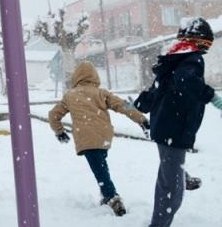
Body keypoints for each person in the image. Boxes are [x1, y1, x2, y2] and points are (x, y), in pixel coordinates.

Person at [135, 17, 222, 227]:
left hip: (164, 127)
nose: (206, 49)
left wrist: (140, 104)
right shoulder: (192, 59)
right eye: (207, 43)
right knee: (171, 187)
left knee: (169, 168)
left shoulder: (173, 58)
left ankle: (181, 174)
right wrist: (212, 97)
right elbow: (186, 81)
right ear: (200, 41)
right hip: (175, 129)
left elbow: (157, 88)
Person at [48, 61, 150, 216]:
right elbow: (124, 105)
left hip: (86, 138)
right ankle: (105, 195)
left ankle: (113, 198)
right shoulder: (101, 93)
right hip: (104, 137)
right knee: (101, 166)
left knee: (100, 170)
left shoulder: (70, 96)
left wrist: (59, 132)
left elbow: (53, 115)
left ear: (76, 77)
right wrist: (141, 119)